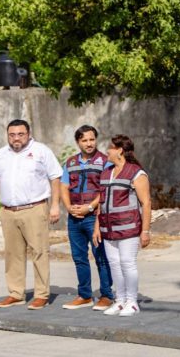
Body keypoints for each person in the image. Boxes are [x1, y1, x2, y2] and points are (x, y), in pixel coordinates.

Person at [0, 119, 63, 310]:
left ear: (28, 134)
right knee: (13, 254)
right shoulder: (0, 155)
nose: (16, 138)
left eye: (20, 134)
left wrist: (55, 205)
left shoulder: (41, 151)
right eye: (12, 135)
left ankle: (41, 294)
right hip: (8, 211)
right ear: (7, 135)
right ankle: (15, 293)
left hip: (34, 209)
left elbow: (55, 178)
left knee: (39, 251)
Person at [93, 135, 151, 317]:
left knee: (127, 264)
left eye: (110, 148)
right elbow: (101, 203)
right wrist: (97, 227)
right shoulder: (106, 173)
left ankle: (132, 302)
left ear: (119, 150)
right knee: (114, 265)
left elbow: (146, 203)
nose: (106, 151)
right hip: (108, 230)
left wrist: (145, 231)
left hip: (129, 229)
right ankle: (120, 301)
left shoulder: (136, 173)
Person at [60, 125, 114, 311]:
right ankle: (84, 295)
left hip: (94, 217)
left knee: (101, 256)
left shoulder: (105, 162)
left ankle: (107, 295)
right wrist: (69, 208)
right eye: (85, 140)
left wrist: (89, 207)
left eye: (92, 139)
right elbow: (63, 187)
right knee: (79, 257)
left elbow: (105, 189)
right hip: (74, 218)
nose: (89, 143)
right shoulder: (70, 163)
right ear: (78, 142)